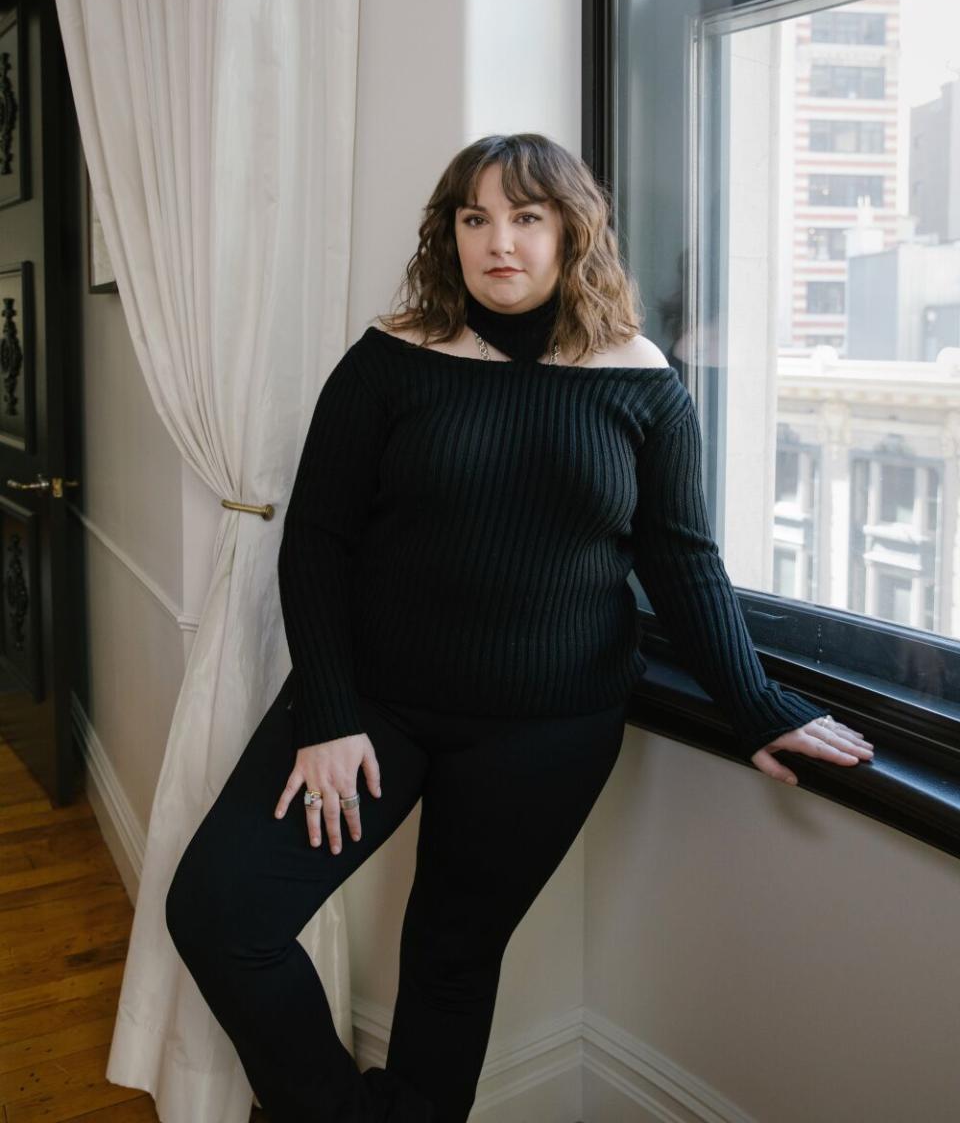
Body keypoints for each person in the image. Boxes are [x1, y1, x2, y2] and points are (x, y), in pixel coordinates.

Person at [165, 133, 875, 1123]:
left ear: (572, 232)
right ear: (448, 235)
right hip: (369, 708)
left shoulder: (640, 380)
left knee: (453, 955)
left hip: (548, 733)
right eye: (475, 218)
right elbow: (319, 542)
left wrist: (756, 705)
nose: (499, 241)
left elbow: (680, 559)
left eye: (526, 217)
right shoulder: (390, 359)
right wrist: (327, 713)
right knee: (218, 912)